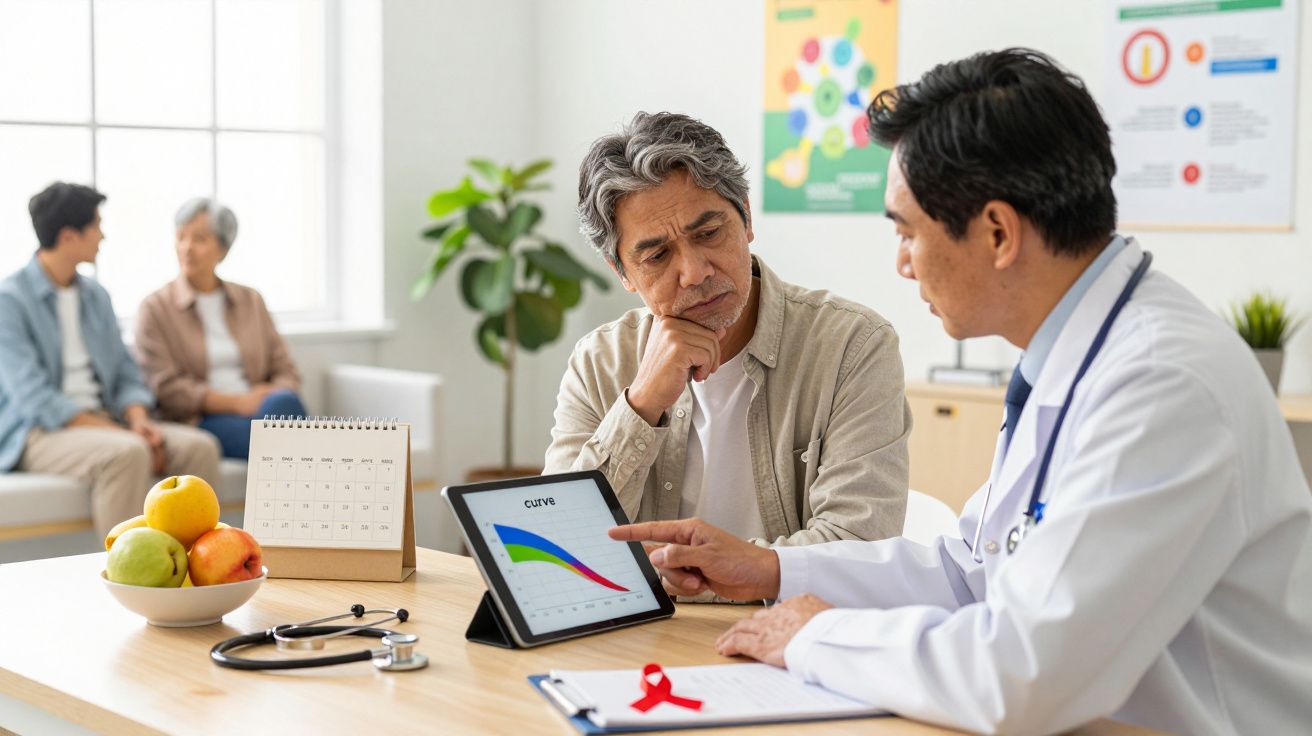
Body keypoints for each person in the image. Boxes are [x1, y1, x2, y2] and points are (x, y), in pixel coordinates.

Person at [610, 50, 1312, 734]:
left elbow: (1020, 677)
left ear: (998, 232)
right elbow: (968, 570)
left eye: (907, 230)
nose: (902, 263)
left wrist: (817, 637)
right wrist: (769, 566)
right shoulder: (1078, 355)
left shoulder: (1160, 385)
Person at [548, 112, 909, 558]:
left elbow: (859, 547)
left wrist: (701, 579)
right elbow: (561, 545)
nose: (695, 272)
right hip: (648, 629)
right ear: (622, 272)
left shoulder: (851, 346)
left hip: (796, 624)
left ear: (747, 219)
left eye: (710, 233)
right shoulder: (599, 361)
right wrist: (640, 406)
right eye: (658, 255)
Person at [0, 183, 221, 537]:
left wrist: (137, 417)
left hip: (108, 419)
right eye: (96, 226)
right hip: (39, 432)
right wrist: (122, 433)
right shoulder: (9, 300)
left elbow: (124, 371)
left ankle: (194, 567)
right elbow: (35, 398)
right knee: (127, 453)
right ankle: (126, 574)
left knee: (200, 447)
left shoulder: (95, 295)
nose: (102, 235)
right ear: (69, 236)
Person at [134, 198, 306, 459]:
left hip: (264, 410)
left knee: (284, 404)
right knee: (291, 439)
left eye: (199, 239)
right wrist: (237, 403)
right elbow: (166, 388)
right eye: (181, 237)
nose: (186, 248)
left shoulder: (251, 300)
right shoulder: (155, 308)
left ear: (223, 249)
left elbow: (286, 371)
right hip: (204, 418)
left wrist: (262, 395)